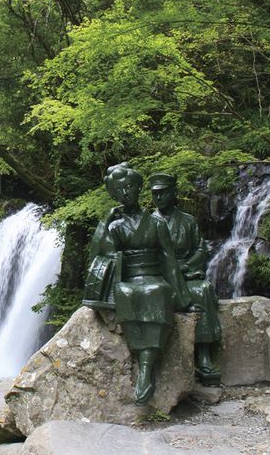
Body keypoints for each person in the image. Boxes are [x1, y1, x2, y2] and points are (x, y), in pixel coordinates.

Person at [83, 162, 192, 405]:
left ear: (138, 188)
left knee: (158, 292)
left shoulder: (156, 223)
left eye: (130, 187)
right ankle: (143, 363)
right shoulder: (116, 225)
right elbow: (98, 256)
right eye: (119, 189)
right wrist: (104, 223)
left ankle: (146, 368)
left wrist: (183, 297)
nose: (126, 193)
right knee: (126, 293)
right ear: (113, 194)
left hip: (153, 276)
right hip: (128, 277)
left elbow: (169, 261)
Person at [150, 173, 222, 383]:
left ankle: (204, 356)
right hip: (161, 275)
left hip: (186, 273)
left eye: (163, 193)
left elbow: (201, 248)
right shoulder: (148, 222)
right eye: (155, 194)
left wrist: (187, 266)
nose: (158, 198)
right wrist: (170, 269)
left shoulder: (188, 221)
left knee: (203, 290)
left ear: (173, 194)